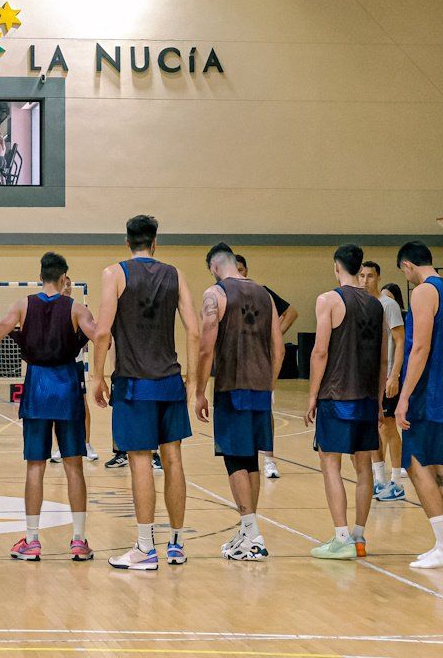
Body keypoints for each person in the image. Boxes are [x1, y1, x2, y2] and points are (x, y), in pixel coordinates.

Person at [92, 214, 200, 570]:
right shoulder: (176, 274)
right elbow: (195, 332)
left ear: (127, 242)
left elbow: (104, 330)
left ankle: (144, 547)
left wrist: (97, 375)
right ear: (155, 242)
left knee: (140, 462)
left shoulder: (115, 274)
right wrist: (195, 382)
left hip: (135, 383)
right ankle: (177, 544)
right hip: (170, 381)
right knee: (173, 460)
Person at [0, 252, 98, 562]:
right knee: (74, 466)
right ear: (65, 278)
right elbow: (101, 336)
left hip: (37, 386)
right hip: (67, 385)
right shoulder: (77, 308)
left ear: (40, 276)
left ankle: (32, 540)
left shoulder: (23, 305)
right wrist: (103, 374)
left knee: (35, 466)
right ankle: (79, 541)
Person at [198, 242, 281, 561]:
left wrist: (199, 390)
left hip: (232, 386)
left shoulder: (215, 294)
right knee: (251, 459)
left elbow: (206, 347)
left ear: (215, 267)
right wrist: (267, 382)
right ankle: (249, 530)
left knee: (234, 458)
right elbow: (279, 348)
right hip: (260, 387)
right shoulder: (265, 294)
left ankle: (253, 535)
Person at [306, 244, 386, 560]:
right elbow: (382, 360)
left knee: (330, 463)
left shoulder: (329, 300)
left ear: (337, 267)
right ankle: (359, 536)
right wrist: (379, 401)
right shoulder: (376, 305)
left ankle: (341, 538)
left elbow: (320, 351)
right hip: (366, 396)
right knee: (364, 466)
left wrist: (312, 395)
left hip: (337, 394)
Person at [393, 240, 443, 569]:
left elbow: (419, 348)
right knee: (439, 465)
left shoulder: (423, 292)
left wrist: (404, 396)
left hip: (427, 389)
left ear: (407, 265)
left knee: (413, 460)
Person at [235, 254, 297, 479]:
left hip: (261, 361)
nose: (239, 273)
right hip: (235, 363)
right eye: (235, 269)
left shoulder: (262, 292)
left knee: (264, 409)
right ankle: (242, 458)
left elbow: (291, 312)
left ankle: (269, 459)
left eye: (242, 269)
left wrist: (275, 337)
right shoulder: (223, 294)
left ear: (246, 269)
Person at [359, 263, 407, 501]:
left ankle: (397, 482)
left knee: (388, 426)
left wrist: (394, 375)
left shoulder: (388, 305)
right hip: (364, 379)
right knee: (372, 429)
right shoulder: (359, 304)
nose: (365, 280)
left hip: (386, 377)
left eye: (370, 276)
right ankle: (380, 481)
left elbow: (400, 341)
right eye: (362, 275)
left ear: (378, 278)